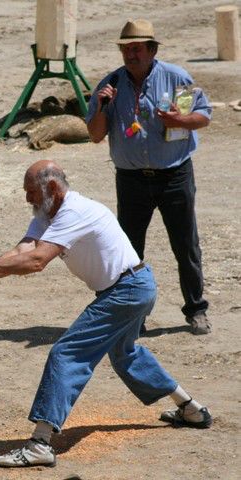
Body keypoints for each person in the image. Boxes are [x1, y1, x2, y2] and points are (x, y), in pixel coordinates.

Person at [0, 160, 212, 468]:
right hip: (134, 287)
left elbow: (38, 261)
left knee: (67, 353)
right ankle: (190, 408)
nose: (28, 199)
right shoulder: (47, 212)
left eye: (30, 192)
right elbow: (23, 251)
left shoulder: (73, 212)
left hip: (127, 290)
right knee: (126, 354)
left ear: (51, 188)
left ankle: (40, 443)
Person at [86, 19, 212, 335]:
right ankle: (132, 317)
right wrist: (103, 106)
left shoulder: (177, 77)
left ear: (152, 50)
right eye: (126, 48)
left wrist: (179, 119)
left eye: (137, 48)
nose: (131, 54)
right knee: (128, 251)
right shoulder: (110, 85)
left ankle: (196, 310)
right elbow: (95, 135)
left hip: (174, 176)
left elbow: (204, 115)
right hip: (131, 180)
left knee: (186, 245)